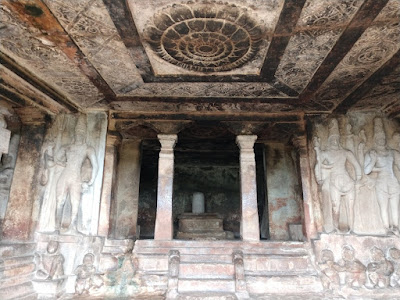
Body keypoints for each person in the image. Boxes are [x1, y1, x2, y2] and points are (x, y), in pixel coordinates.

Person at [314, 119, 362, 232]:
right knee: (336, 206)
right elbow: (318, 166)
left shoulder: (345, 152)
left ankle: (352, 229)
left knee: (350, 207)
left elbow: (356, 165)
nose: (335, 142)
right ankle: (335, 228)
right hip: (334, 181)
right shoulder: (325, 153)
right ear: (329, 141)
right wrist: (317, 152)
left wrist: (358, 178)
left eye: (337, 139)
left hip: (347, 180)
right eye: (332, 140)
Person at [55, 115, 98, 234]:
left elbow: (95, 166)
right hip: (65, 174)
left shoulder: (87, 149)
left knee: (75, 202)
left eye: (81, 133)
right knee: (60, 201)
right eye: (77, 132)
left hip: (76, 177)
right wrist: (59, 134)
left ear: (84, 135)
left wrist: (91, 181)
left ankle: (72, 226)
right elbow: (56, 158)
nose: (79, 135)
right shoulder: (67, 147)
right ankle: (56, 226)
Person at [364, 118, 400, 234]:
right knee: (383, 207)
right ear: (375, 139)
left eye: (383, 138)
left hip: (393, 181)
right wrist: (374, 161)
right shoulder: (372, 153)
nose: (382, 140)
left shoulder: (393, 152)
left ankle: (396, 227)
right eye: (379, 138)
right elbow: (366, 171)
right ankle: (387, 228)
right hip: (381, 183)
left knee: (395, 206)